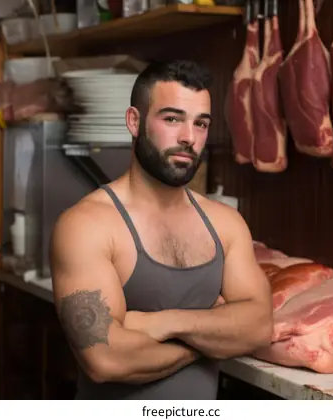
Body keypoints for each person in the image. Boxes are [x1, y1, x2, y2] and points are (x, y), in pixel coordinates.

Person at [49, 59, 273, 400]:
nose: (188, 138)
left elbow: (258, 327)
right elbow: (104, 358)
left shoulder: (224, 223)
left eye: (200, 124)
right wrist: (212, 340)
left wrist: (164, 323)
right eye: (172, 119)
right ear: (134, 122)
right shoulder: (86, 225)